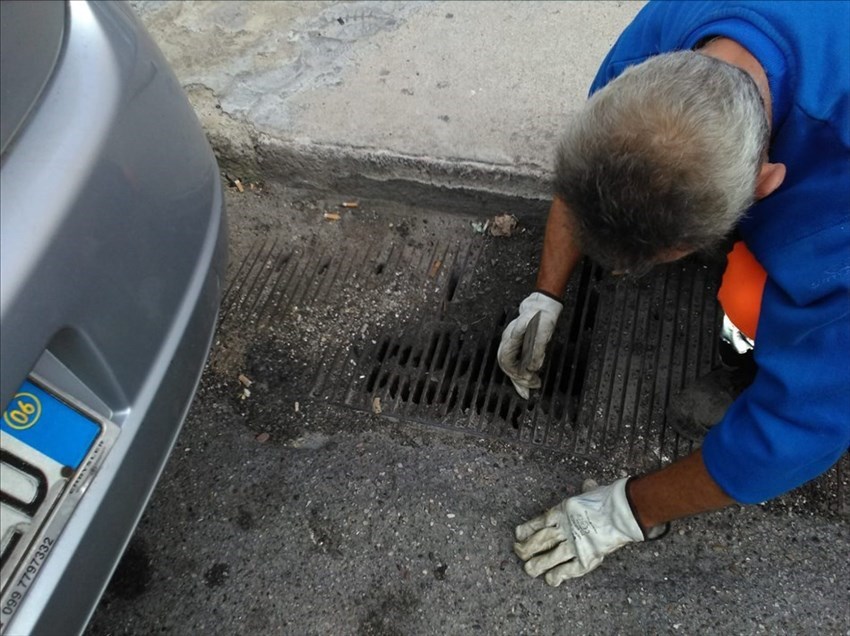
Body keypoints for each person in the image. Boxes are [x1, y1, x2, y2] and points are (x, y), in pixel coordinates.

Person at [497, 1, 849, 587]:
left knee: (747, 296)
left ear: (767, 183)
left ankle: (744, 357)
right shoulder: (668, 33)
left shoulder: (833, 214)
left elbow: (798, 430)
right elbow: (588, 165)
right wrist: (545, 294)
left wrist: (627, 511)